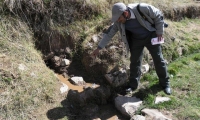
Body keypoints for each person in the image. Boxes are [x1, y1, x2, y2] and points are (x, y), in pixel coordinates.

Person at [91, 2, 171, 95]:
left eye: (119, 18)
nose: (118, 20)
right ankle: (133, 85)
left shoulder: (142, 8)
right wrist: (98, 48)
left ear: (125, 13)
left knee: (158, 59)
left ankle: (165, 84)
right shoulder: (118, 22)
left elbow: (158, 15)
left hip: (151, 36)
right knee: (134, 62)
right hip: (136, 40)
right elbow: (109, 34)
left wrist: (159, 32)